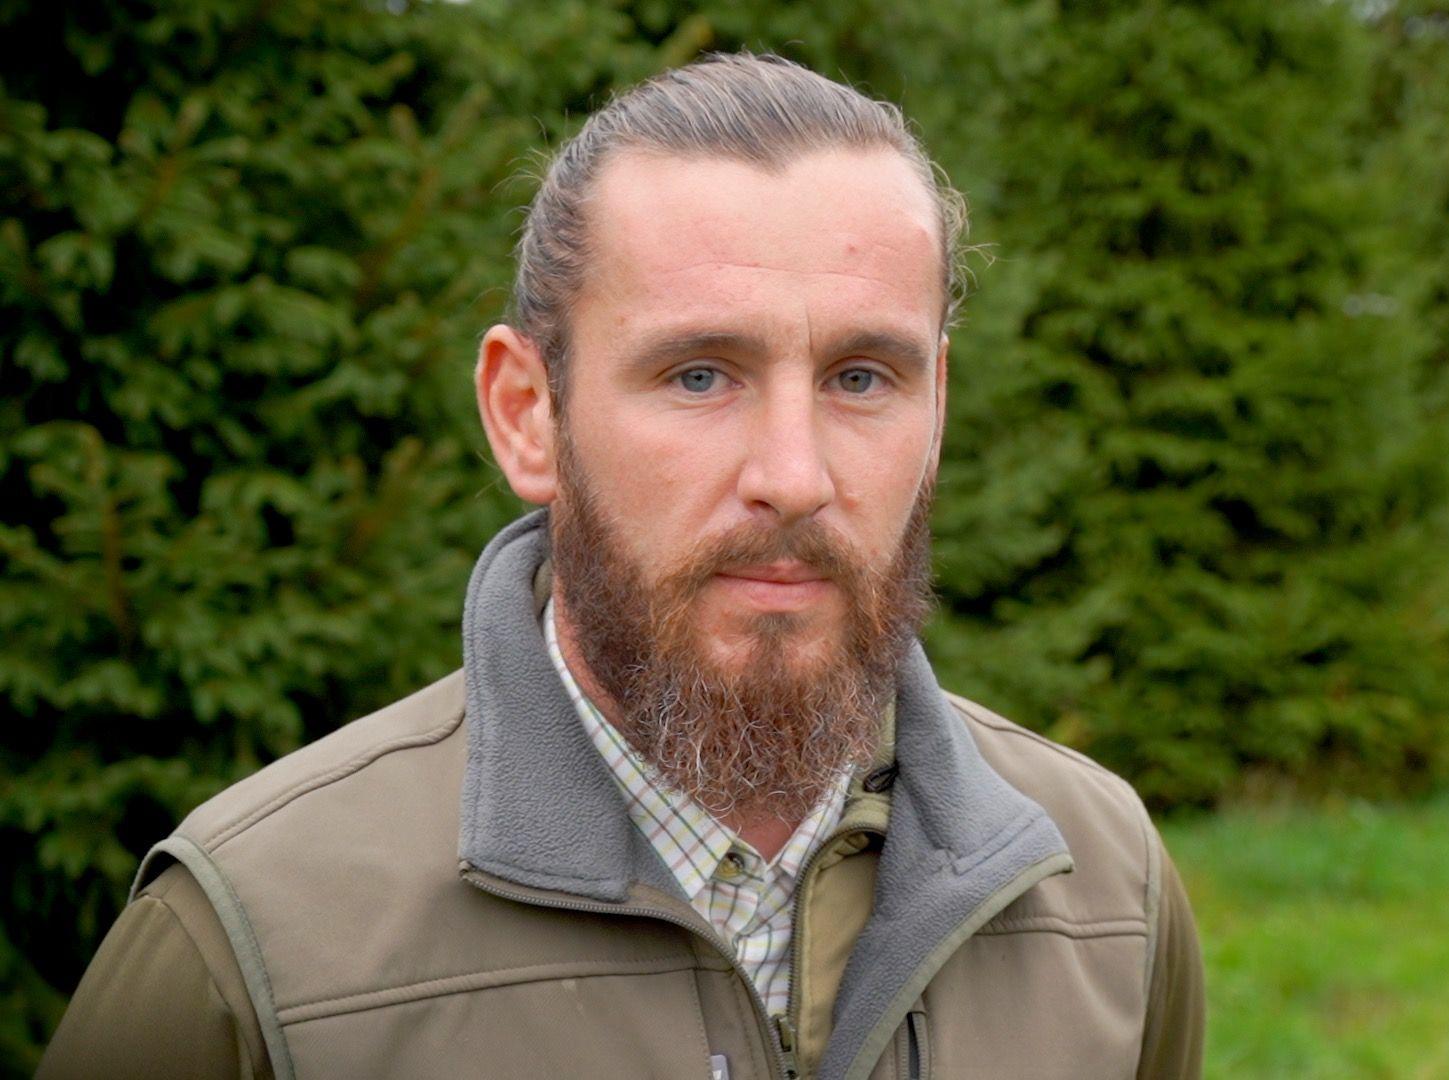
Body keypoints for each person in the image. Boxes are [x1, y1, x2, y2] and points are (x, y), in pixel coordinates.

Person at [41, 53, 1203, 1080]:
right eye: (700, 375)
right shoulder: (254, 945)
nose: (793, 476)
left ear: (937, 407)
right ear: (527, 414)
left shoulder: (1103, 895)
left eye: (862, 377)